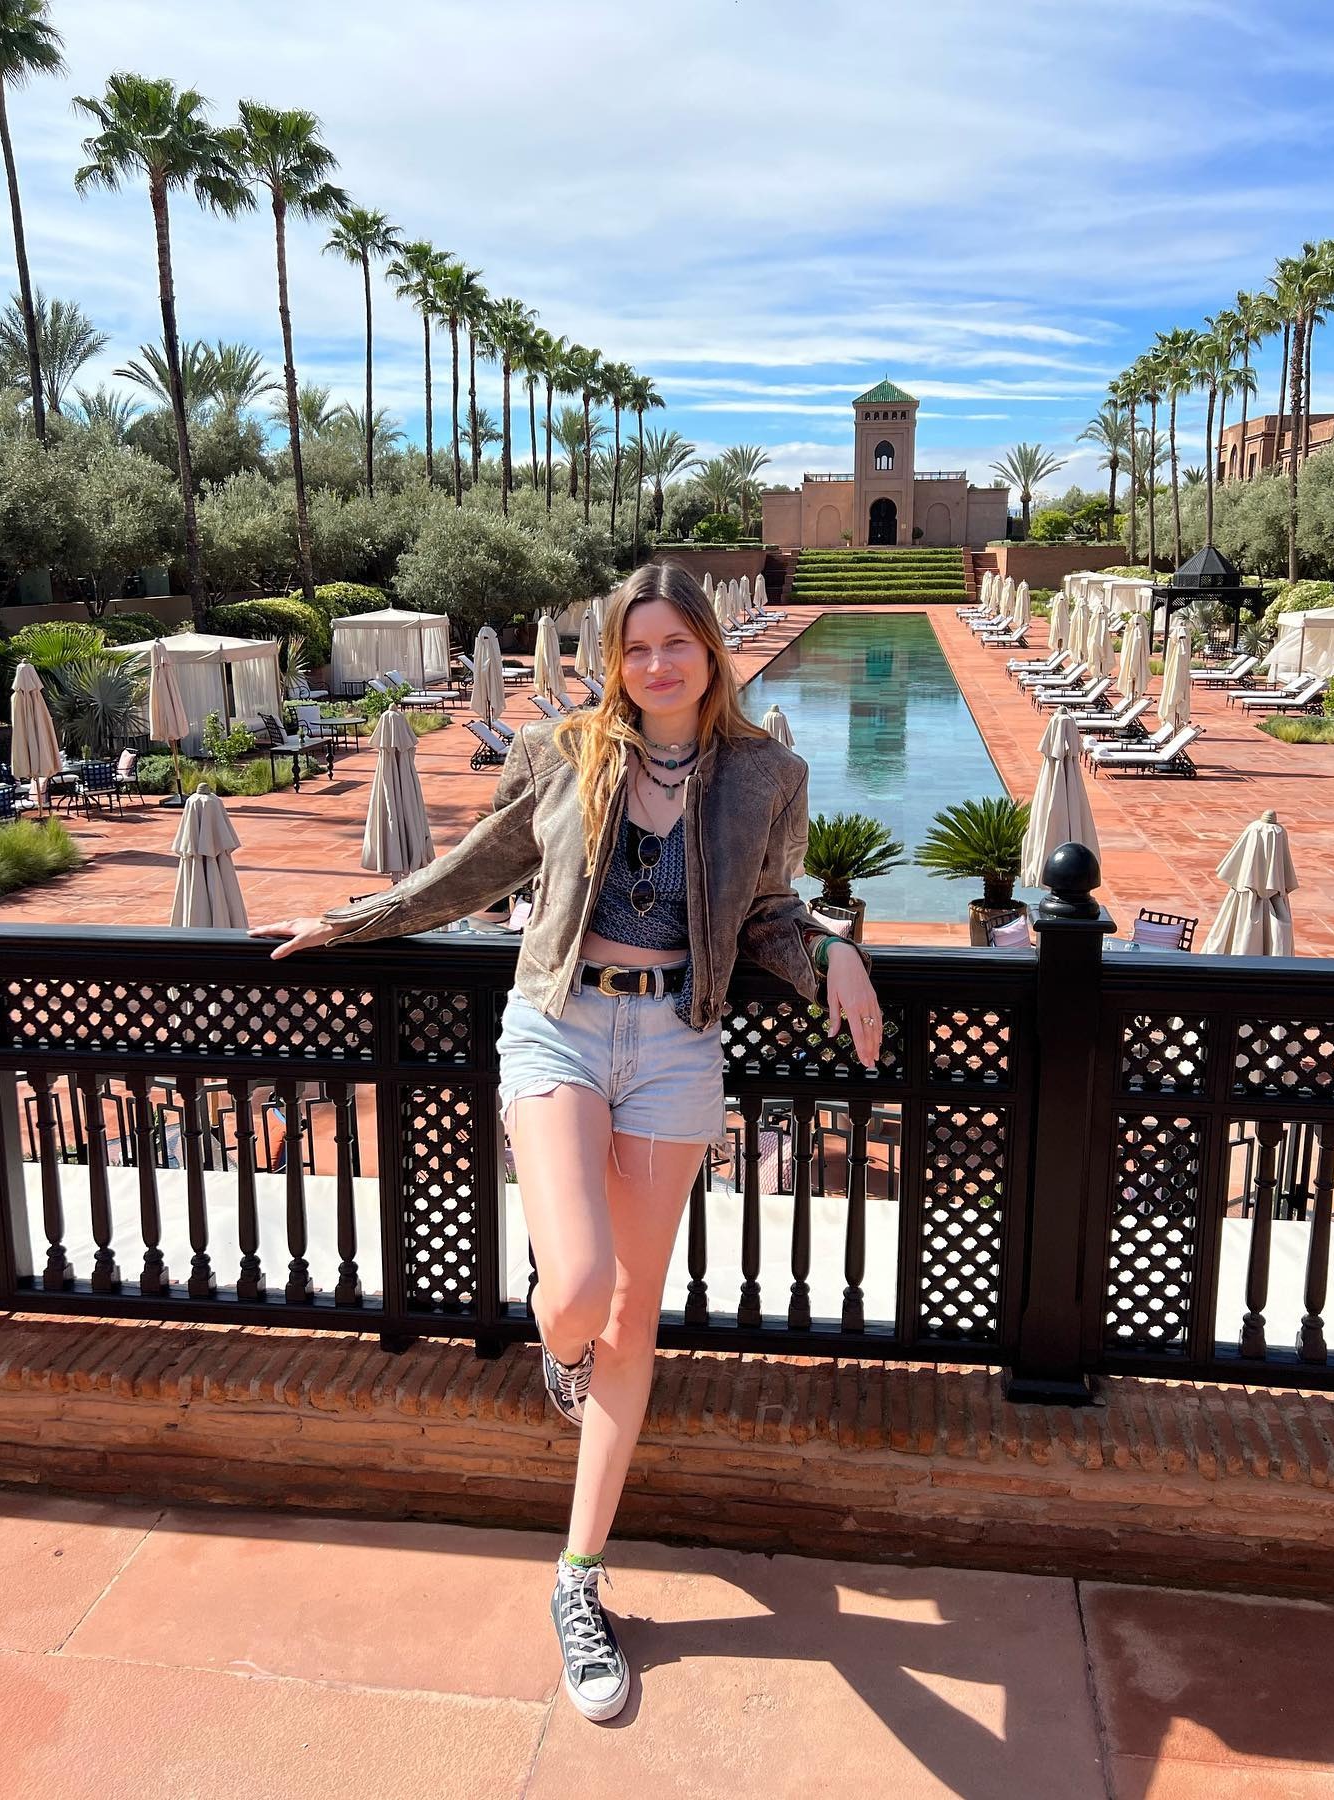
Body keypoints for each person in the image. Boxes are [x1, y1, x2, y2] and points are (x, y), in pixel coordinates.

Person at [250, 563, 882, 1722]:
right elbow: (474, 868)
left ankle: (579, 1577)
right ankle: (563, 1348)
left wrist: (834, 946)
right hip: (559, 1026)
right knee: (579, 1288)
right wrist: (348, 920)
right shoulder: (562, 752)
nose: (656, 666)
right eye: (635, 647)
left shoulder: (767, 773)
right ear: (613, 656)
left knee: (635, 1314)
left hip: (678, 1042)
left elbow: (768, 911)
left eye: (674, 644)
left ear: (708, 651)